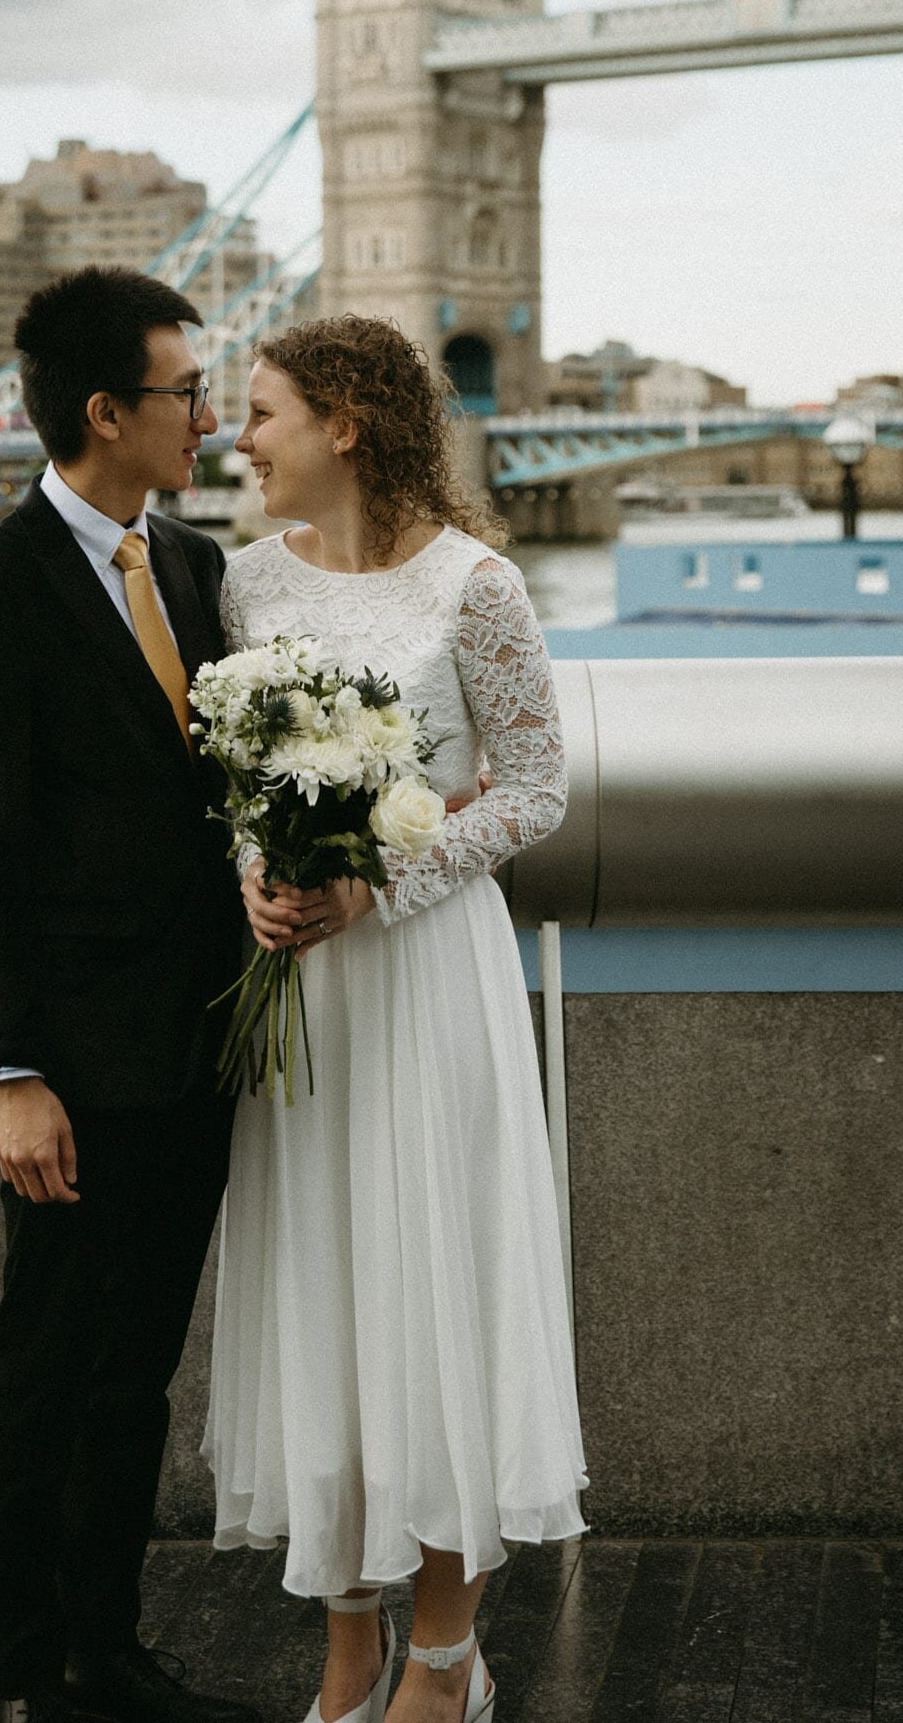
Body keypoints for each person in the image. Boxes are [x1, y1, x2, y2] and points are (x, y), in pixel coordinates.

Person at [203, 317, 588, 1723]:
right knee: (325, 1297)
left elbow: (535, 786)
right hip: (300, 994)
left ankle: (443, 1658)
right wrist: (259, 875)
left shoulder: (472, 587)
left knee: (435, 1300)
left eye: (260, 414)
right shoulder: (241, 588)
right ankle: (345, 1643)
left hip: (426, 981)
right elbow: (232, 789)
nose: (237, 441)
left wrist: (381, 884)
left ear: (345, 422)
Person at [0, 266, 252, 1723]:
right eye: (184, 391)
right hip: (73, 1065)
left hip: (199, 1047)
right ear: (106, 409)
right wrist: (13, 1073)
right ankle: (20, 1676)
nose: (208, 413)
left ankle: (103, 1651)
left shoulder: (193, 566)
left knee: (137, 1374)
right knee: (45, 1368)